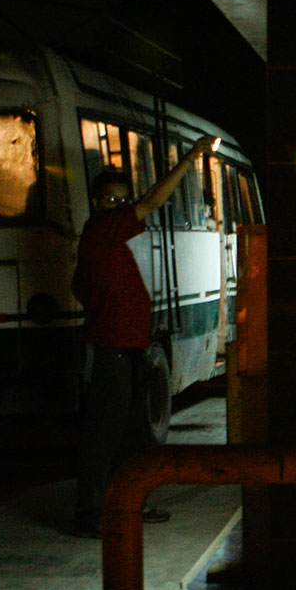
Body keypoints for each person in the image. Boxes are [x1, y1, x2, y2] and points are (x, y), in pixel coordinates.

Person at [70, 135, 216, 537]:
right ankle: (90, 515)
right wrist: (190, 157)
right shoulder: (104, 230)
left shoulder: (102, 239)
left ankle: (127, 504)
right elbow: (152, 200)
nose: (116, 207)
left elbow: (78, 286)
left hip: (127, 349)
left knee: (130, 436)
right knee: (103, 436)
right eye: (108, 200)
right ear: (96, 202)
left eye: (121, 201)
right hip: (113, 351)